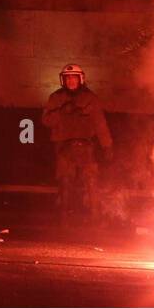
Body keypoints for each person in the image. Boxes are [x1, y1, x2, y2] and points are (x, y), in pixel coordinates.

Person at [41, 63, 112, 224]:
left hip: (86, 146)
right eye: (68, 79)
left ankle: (95, 217)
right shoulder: (56, 98)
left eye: (74, 78)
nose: (71, 82)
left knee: (91, 181)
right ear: (63, 81)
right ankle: (64, 217)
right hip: (63, 147)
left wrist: (107, 145)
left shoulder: (90, 99)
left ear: (81, 79)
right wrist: (61, 111)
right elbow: (45, 121)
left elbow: (100, 124)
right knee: (65, 181)